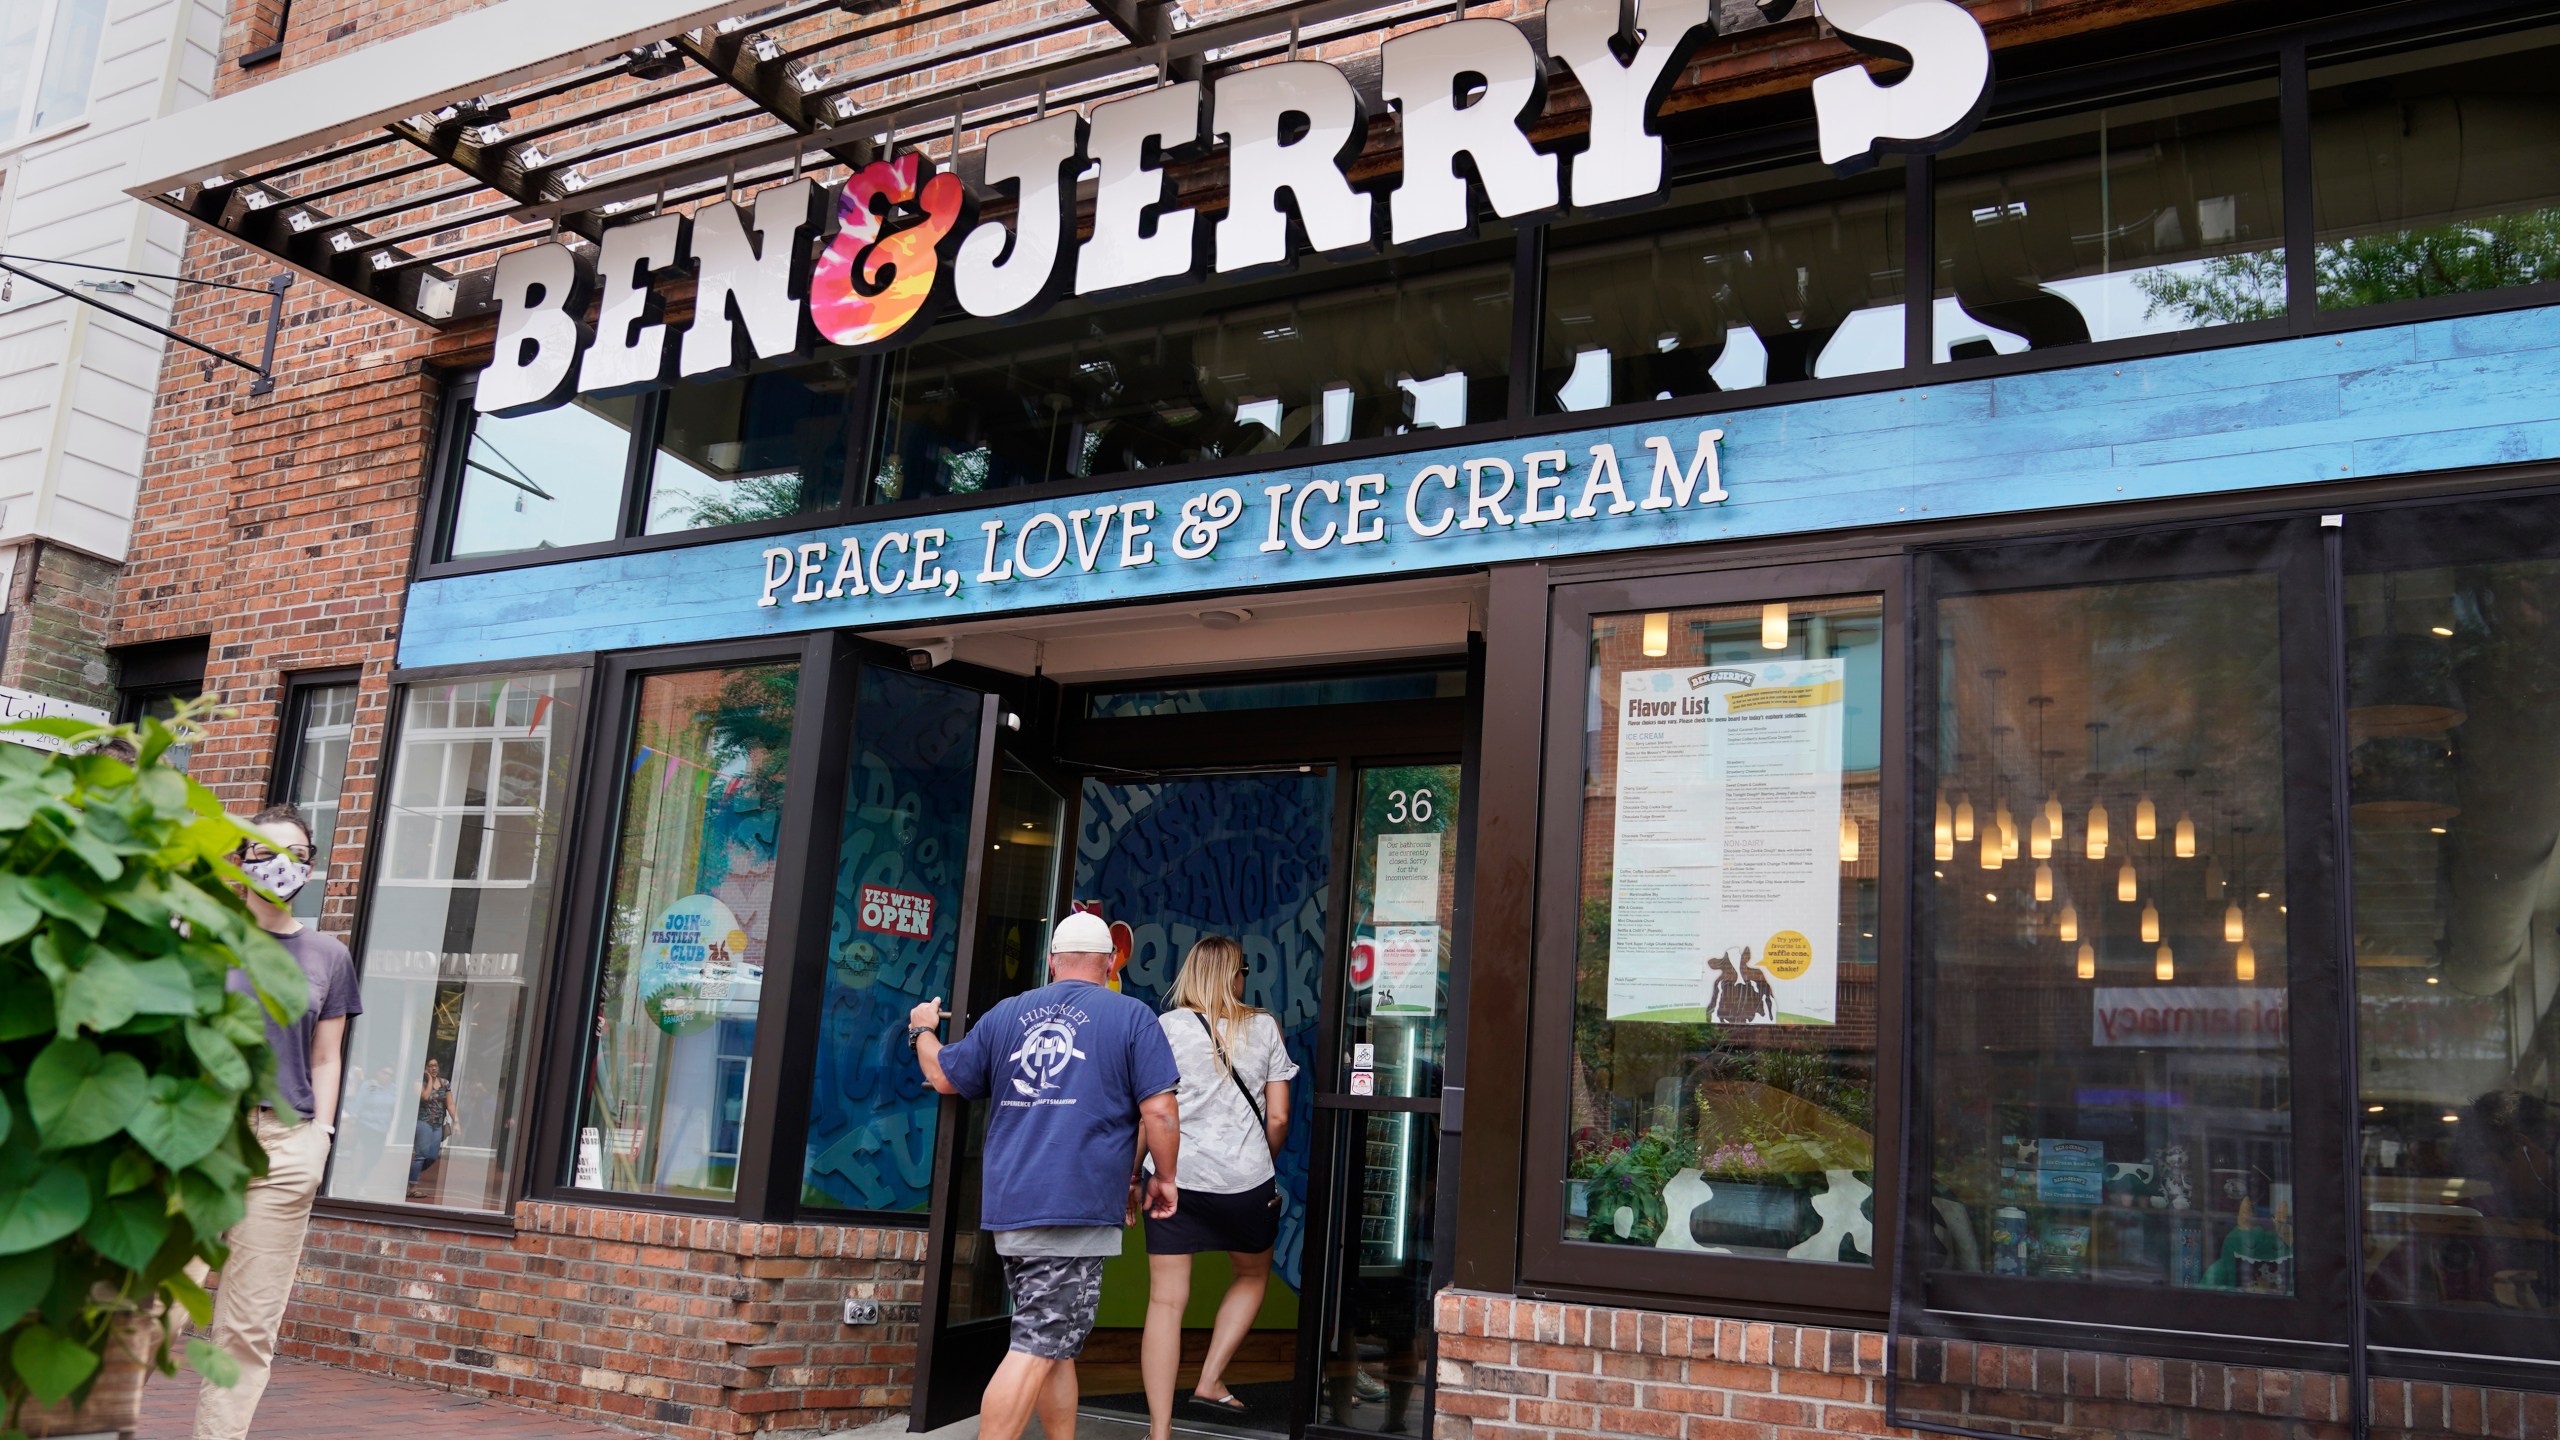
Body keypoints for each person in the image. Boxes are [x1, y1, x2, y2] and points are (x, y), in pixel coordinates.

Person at [909, 910, 1182, 1440]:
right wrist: (1164, 1177)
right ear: (1109, 964)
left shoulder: (1007, 1013)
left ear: (1052, 962)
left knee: (1056, 1346)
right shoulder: (1131, 1016)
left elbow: (942, 1074)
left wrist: (921, 1028)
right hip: (1073, 1208)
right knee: (1036, 1345)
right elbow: (1163, 1113)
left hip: (1013, 1203)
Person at [196, 804, 362, 1440]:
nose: (279, 864)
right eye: (263, 851)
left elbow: (326, 1054)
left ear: (311, 865)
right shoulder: (207, 938)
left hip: (285, 1146)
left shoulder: (327, 955)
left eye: (293, 852)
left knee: (246, 1328)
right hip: (202, 1138)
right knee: (147, 1298)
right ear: (241, 862)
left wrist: (320, 1135)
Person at [1141, 936, 1296, 1438]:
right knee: (1251, 1275)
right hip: (1245, 1181)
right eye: (1243, 968)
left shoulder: (1166, 1027)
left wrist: (1133, 1172)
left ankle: (1160, 1431)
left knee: (1166, 1301)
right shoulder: (1264, 1027)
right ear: (1235, 973)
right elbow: (1279, 1116)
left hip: (1174, 1178)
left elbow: (1152, 1110)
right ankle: (1209, 1379)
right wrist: (1258, 1162)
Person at [410, 1057, 456, 1187]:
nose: (434, 1068)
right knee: (421, 1155)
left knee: (432, 1156)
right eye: (430, 1066)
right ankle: (412, 1185)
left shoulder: (445, 1083)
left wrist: (456, 1121)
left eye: (435, 1065)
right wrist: (429, 1079)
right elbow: (425, 1096)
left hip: (438, 1125)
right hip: (423, 1122)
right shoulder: (419, 1082)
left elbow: (450, 1103)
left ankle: (409, 1175)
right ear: (425, 1068)